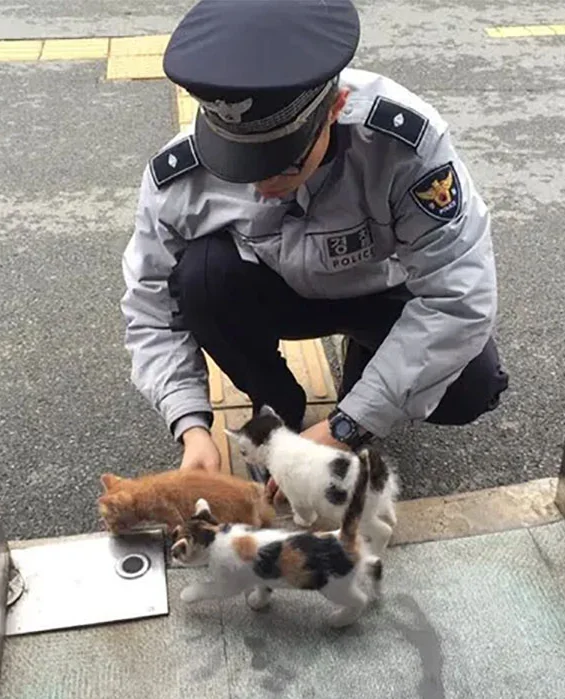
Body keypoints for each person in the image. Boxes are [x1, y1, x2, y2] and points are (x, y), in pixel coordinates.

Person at [120, 0, 509, 478]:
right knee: (199, 278)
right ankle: (275, 402)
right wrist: (190, 424)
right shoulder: (179, 173)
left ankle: (367, 365)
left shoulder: (404, 146)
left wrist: (348, 425)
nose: (261, 185)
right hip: (274, 291)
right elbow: (151, 308)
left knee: (470, 384)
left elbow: (459, 297)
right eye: (238, 167)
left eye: (283, 163)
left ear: (335, 109)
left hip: (382, 291)